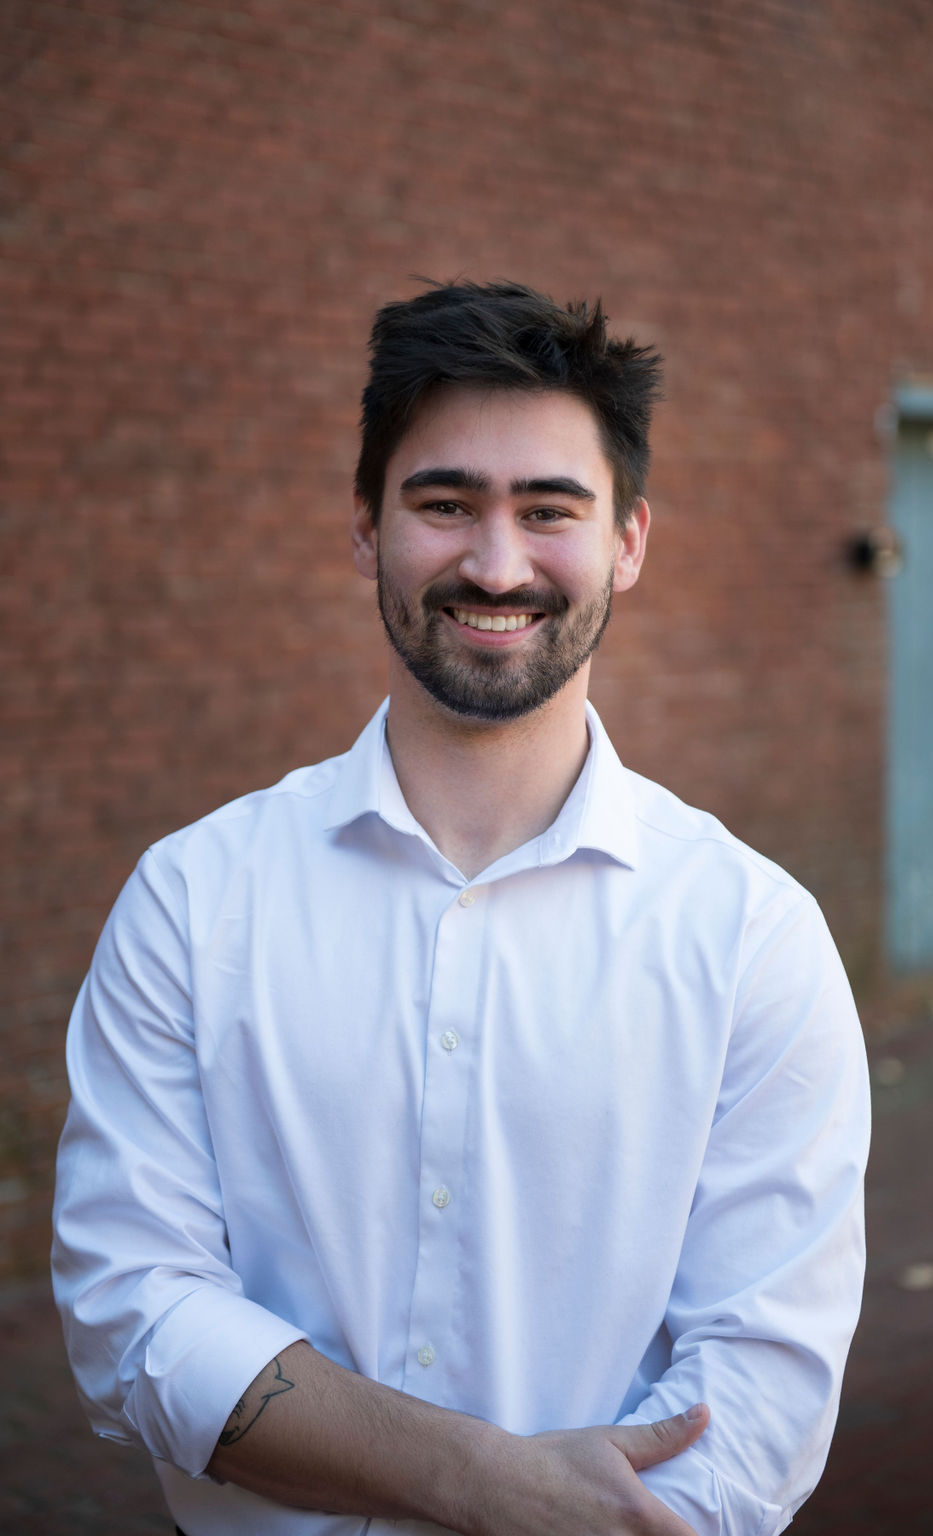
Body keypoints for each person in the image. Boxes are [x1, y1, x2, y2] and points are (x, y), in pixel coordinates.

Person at [52, 280, 870, 1536]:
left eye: (551, 511)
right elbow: (132, 1305)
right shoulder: (192, 900)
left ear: (629, 541)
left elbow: (759, 1391)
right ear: (367, 530)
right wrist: (474, 1481)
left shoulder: (752, 936)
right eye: (444, 504)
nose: (496, 563)